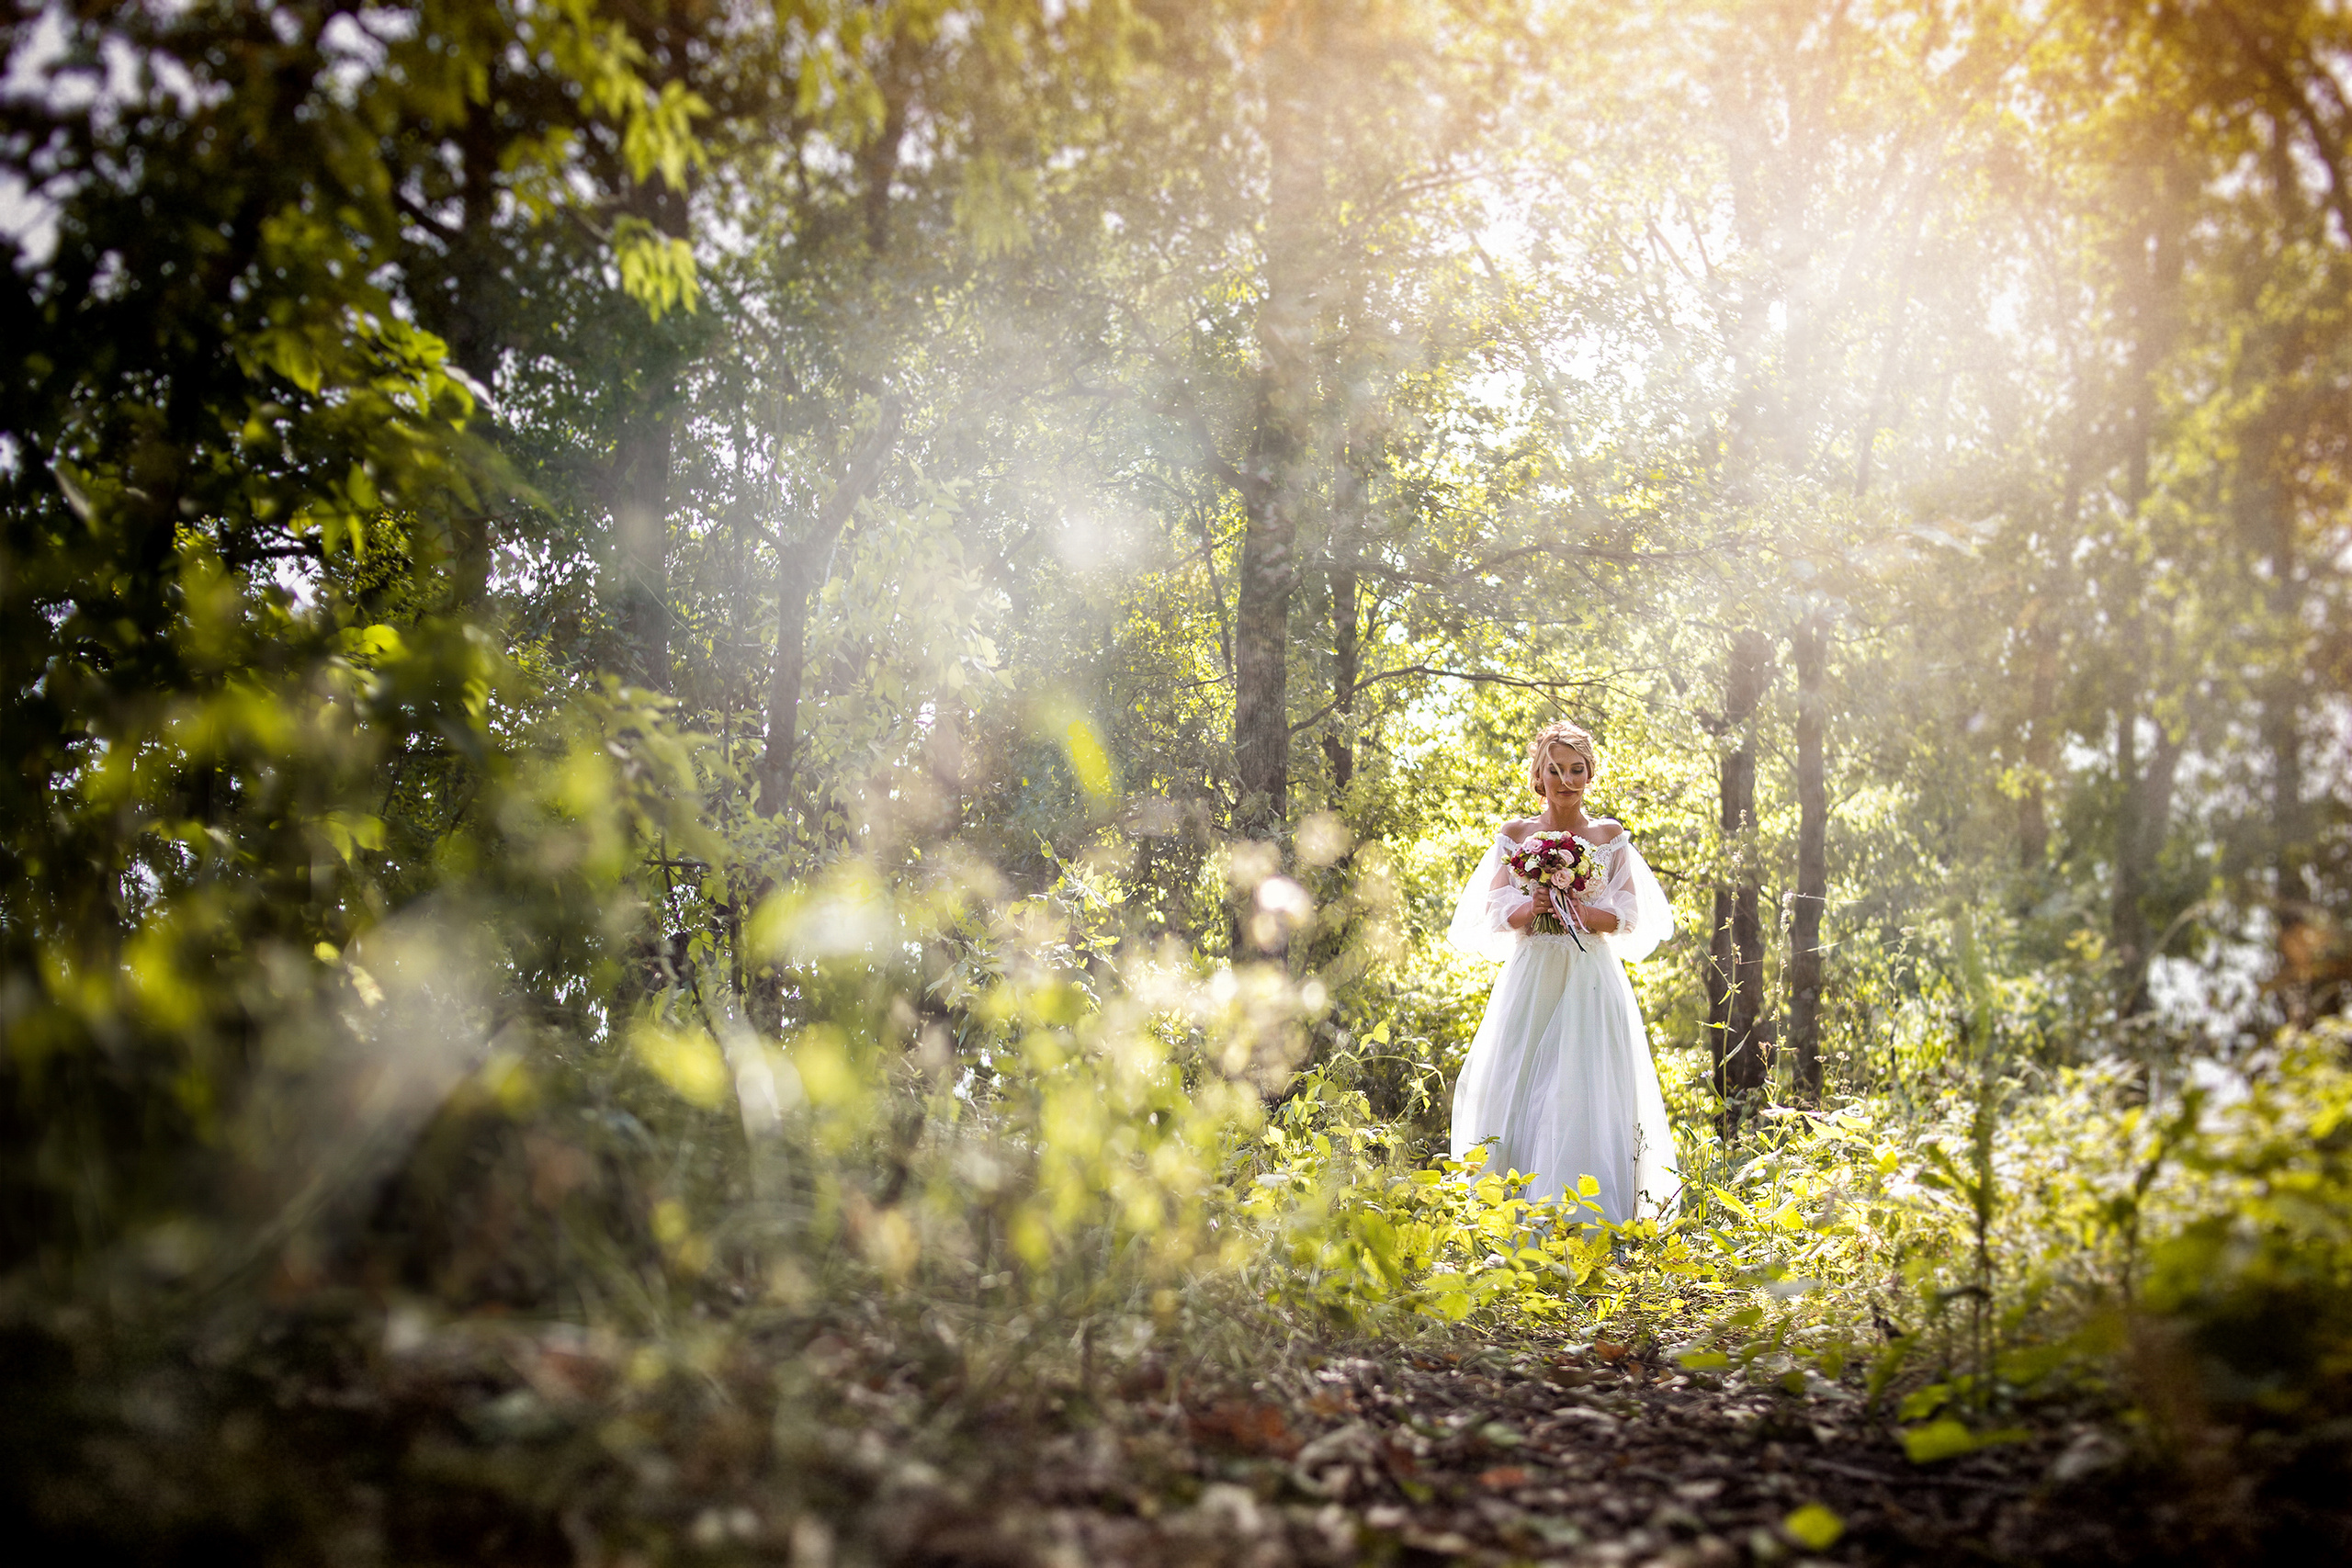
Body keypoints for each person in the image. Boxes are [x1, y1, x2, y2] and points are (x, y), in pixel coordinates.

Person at [1445, 720, 1679, 1222]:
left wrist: (1576, 907)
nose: (1566, 780)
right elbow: (1492, 914)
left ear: (1590, 774)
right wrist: (1534, 905)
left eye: (1577, 770)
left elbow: (1628, 917)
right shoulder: (1515, 836)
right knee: (1520, 1081)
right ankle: (1510, 1216)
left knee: (1581, 1088)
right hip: (1532, 974)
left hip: (1589, 973)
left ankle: (1588, 1218)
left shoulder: (1608, 836)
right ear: (1538, 774)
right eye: (1556, 770)